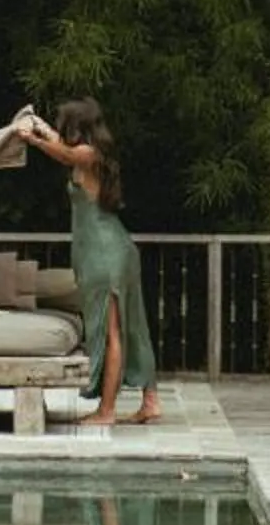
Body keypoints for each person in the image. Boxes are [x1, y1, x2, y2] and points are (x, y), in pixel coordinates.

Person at [15, 99, 161, 426]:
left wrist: (34, 140)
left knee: (111, 333)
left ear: (78, 127)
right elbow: (60, 144)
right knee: (132, 325)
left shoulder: (87, 155)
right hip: (112, 249)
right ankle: (150, 400)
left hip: (105, 254)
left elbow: (65, 153)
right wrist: (38, 125)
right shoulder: (93, 153)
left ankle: (106, 411)